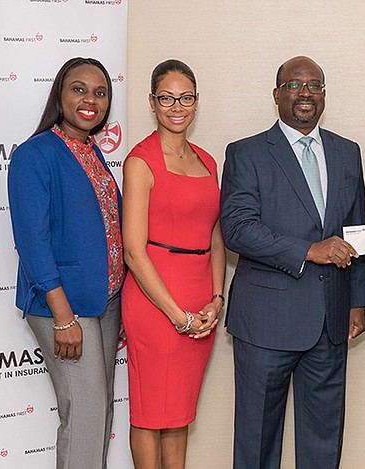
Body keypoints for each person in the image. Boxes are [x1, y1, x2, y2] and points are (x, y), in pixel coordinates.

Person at [220, 55, 365, 469]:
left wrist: (358, 300)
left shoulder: (347, 152)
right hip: (266, 320)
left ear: (324, 94)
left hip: (331, 320)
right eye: (294, 85)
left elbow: (355, 228)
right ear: (276, 95)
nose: (305, 94)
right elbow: (237, 229)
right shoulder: (246, 152)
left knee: (324, 439)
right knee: (257, 441)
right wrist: (309, 250)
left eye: (314, 86)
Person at [7, 57, 122, 468]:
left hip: (104, 303)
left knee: (99, 412)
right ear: (60, 93)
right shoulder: (35, 155)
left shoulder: (92, 152)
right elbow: (33, 243)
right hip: (65, 306)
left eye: (100, 92)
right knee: (87, 418)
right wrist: (63, 317)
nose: (90, 99)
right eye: (79, 89)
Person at [121, 59, 225, 468]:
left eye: (185, 98)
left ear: (196, 102)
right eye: (166, 98)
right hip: (155, 302)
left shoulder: (207, 160)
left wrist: (217, 299)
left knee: (179, 411)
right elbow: (133, 251)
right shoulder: (140, 162)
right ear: (152, 102)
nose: (176, 106)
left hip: (201, 298)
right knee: (150, 414)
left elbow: (216, 236)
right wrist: (177, 315)